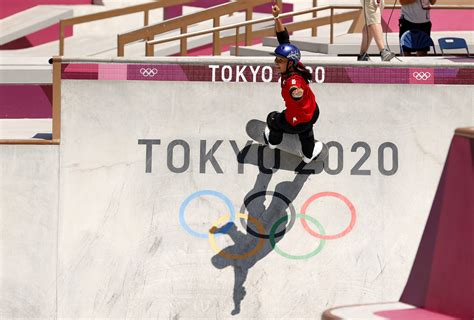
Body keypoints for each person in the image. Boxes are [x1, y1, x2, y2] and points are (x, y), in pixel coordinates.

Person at [263, 4, 323, 164]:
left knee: (273, 119)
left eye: (280, 61)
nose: (276, 63)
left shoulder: (292, 81)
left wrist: (296, 92)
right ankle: (308, 152)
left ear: (289, 63)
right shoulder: (297, 65)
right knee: (306, 132)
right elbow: (283, 39)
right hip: (313, 112)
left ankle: (273, 141)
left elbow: (295, 90)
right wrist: (276, 18)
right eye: (276, 59)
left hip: (296, 121)